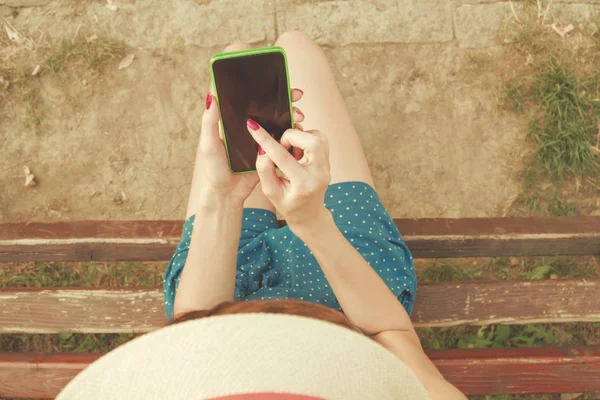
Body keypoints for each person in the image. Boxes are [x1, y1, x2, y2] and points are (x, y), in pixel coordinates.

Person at [162, 31, 467, 399]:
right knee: (292, 48)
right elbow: (388, 331)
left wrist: (224, 200)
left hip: (221, 298)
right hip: (353, 287)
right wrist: (312, 222)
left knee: (238, 61)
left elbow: (196, 331)